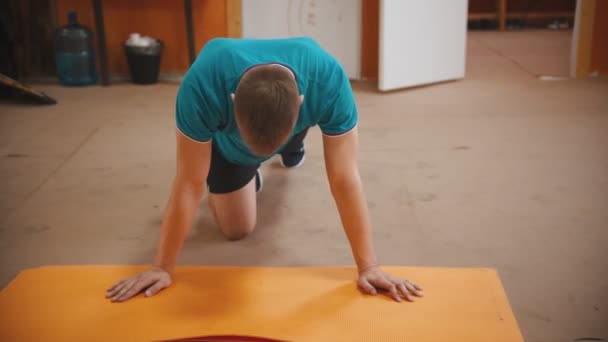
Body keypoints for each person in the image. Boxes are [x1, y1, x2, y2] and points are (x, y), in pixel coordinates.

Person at [106, 37, 423, 303]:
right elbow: (190, 181)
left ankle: (291, 145)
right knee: (236, 228)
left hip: (289, 124)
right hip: (231, 149)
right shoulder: (202, 85)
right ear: (231, 101)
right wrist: (162, 266)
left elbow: (344, 178)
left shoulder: (326, 79)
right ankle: (251, 167)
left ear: (300, 102)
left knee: (298, 142)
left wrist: (369, 267)